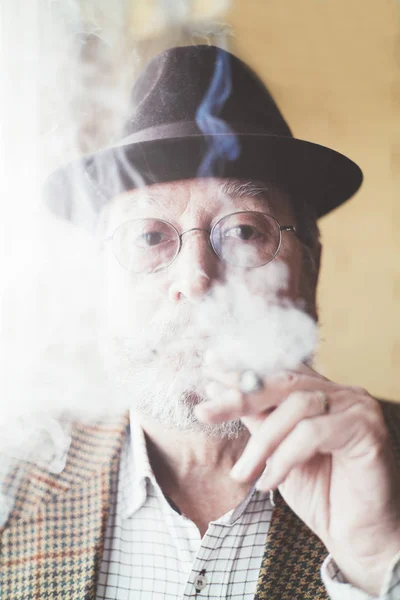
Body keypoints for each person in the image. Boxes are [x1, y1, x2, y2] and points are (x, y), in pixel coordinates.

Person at [1, 45, 399, 600]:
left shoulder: (388, 469)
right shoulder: (12, 483)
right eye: (148, 237)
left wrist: (381, 563)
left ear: (310, 266)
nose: (197, 279)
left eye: (243, 231)